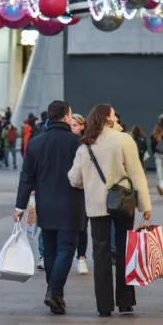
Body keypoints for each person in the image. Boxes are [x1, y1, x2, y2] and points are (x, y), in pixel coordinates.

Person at [68, 104, 152, 318]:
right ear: (108, 119)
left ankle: (104, 306)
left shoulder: (85, 145)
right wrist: (145, 205)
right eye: (114, 114)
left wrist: (91, 182)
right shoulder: (124, 139)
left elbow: (74, 179)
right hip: (122, 202)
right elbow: (137, 174)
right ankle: (125, 302)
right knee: (124, 250)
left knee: (100, 253)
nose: (117, 118)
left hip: (96, 206)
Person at [13, 101, 84, 315]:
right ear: (65, 117)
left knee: (51, 249)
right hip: (72, 203)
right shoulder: (78, 142)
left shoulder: (35, 143)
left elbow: (26, 178)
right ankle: (53, 291)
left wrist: (20, 207)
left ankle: (56, 294)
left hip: (45, 204)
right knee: (67, 248)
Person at [70, 113, 90, 275]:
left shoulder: (87, 144)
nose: (72, 128)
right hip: (68, 188)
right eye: (71, 125)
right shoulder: (66, 143)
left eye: (75, 125)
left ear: (82, 126)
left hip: (84, 190)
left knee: (82, 226)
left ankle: (81, 258)